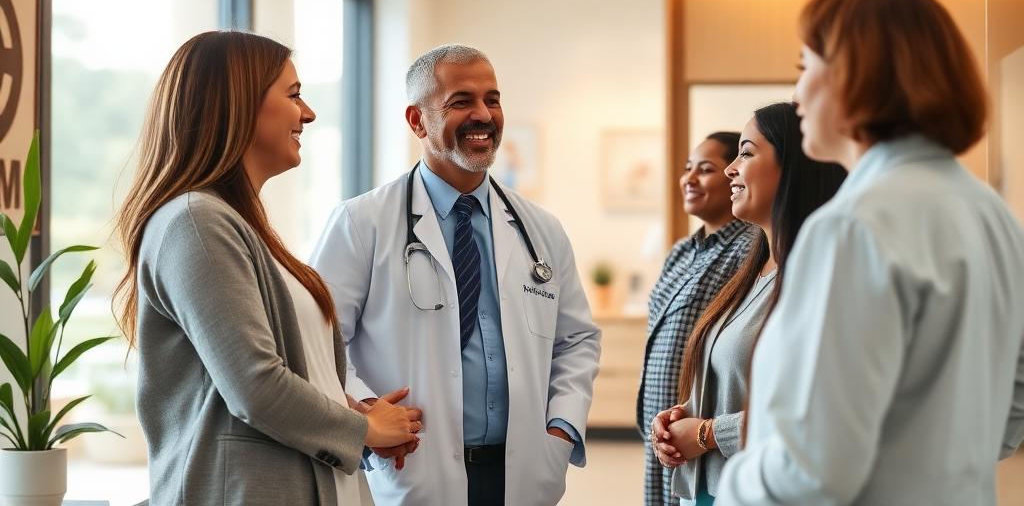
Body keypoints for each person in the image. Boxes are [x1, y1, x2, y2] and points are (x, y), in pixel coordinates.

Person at [716, 0, 1024, 505]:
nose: (797, 96)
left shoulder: (852, 227)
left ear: (855, 78)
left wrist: (736, 487)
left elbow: (810, 470)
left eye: (805, 67)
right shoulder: (994, 216)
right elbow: (1012, 407)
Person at [115, 31, 421, 505]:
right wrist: (363, 426)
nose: (309, 113)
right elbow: (254, 386)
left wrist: (350, 412)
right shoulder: (196, 222)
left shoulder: (238, 225)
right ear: (237, 104)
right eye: (294, 94)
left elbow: (289, 371)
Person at [310, 44, 601, 506]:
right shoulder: (361, 223)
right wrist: (365, 413)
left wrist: (562, 427)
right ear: (417, 120)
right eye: (461, 101)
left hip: (523, 469)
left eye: (493, 99)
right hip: (416, 466)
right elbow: (316, 342)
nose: (484, 114)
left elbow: (576, 340)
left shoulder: (539, 227)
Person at [650, 103, 845, 505]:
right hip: (708, 489)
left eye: (747, 152)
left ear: (793, 165)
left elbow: (814, 415)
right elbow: (735, 380)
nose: (730, 169)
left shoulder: (819, 278)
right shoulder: (751, 272)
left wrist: (706, 433)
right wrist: (683, 414)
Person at [638, 132, 758, 506]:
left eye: (705, 170)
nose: (689, 178)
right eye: (687, 168)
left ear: (733, 176)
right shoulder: (681, 251)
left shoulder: (750, 249)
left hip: (702, 429)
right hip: (663, 425)